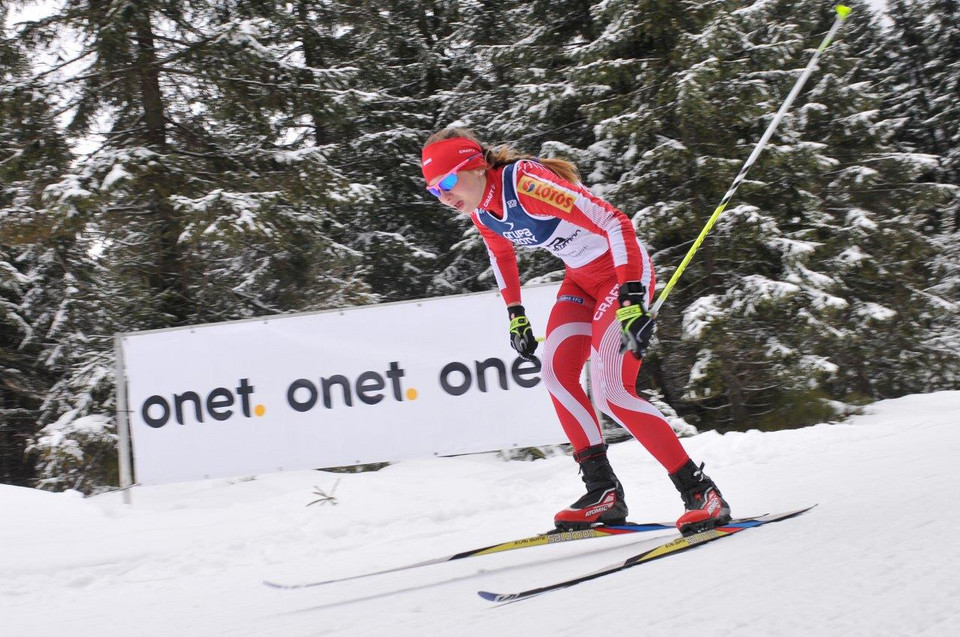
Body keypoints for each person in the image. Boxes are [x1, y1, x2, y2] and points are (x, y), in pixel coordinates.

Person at [421, 127, 731, 535]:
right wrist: (516, 315)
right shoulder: (481, 209)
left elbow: (615, 222)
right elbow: (501, 256)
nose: (443, 196)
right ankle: (603, 492)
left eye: (446, 182)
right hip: (581, 280)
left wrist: (632, 296)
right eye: (433, 190)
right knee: (557, 373)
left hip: (620, 275)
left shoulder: (526, 183)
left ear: (475, 166)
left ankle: (700, 492)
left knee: (614, 393)